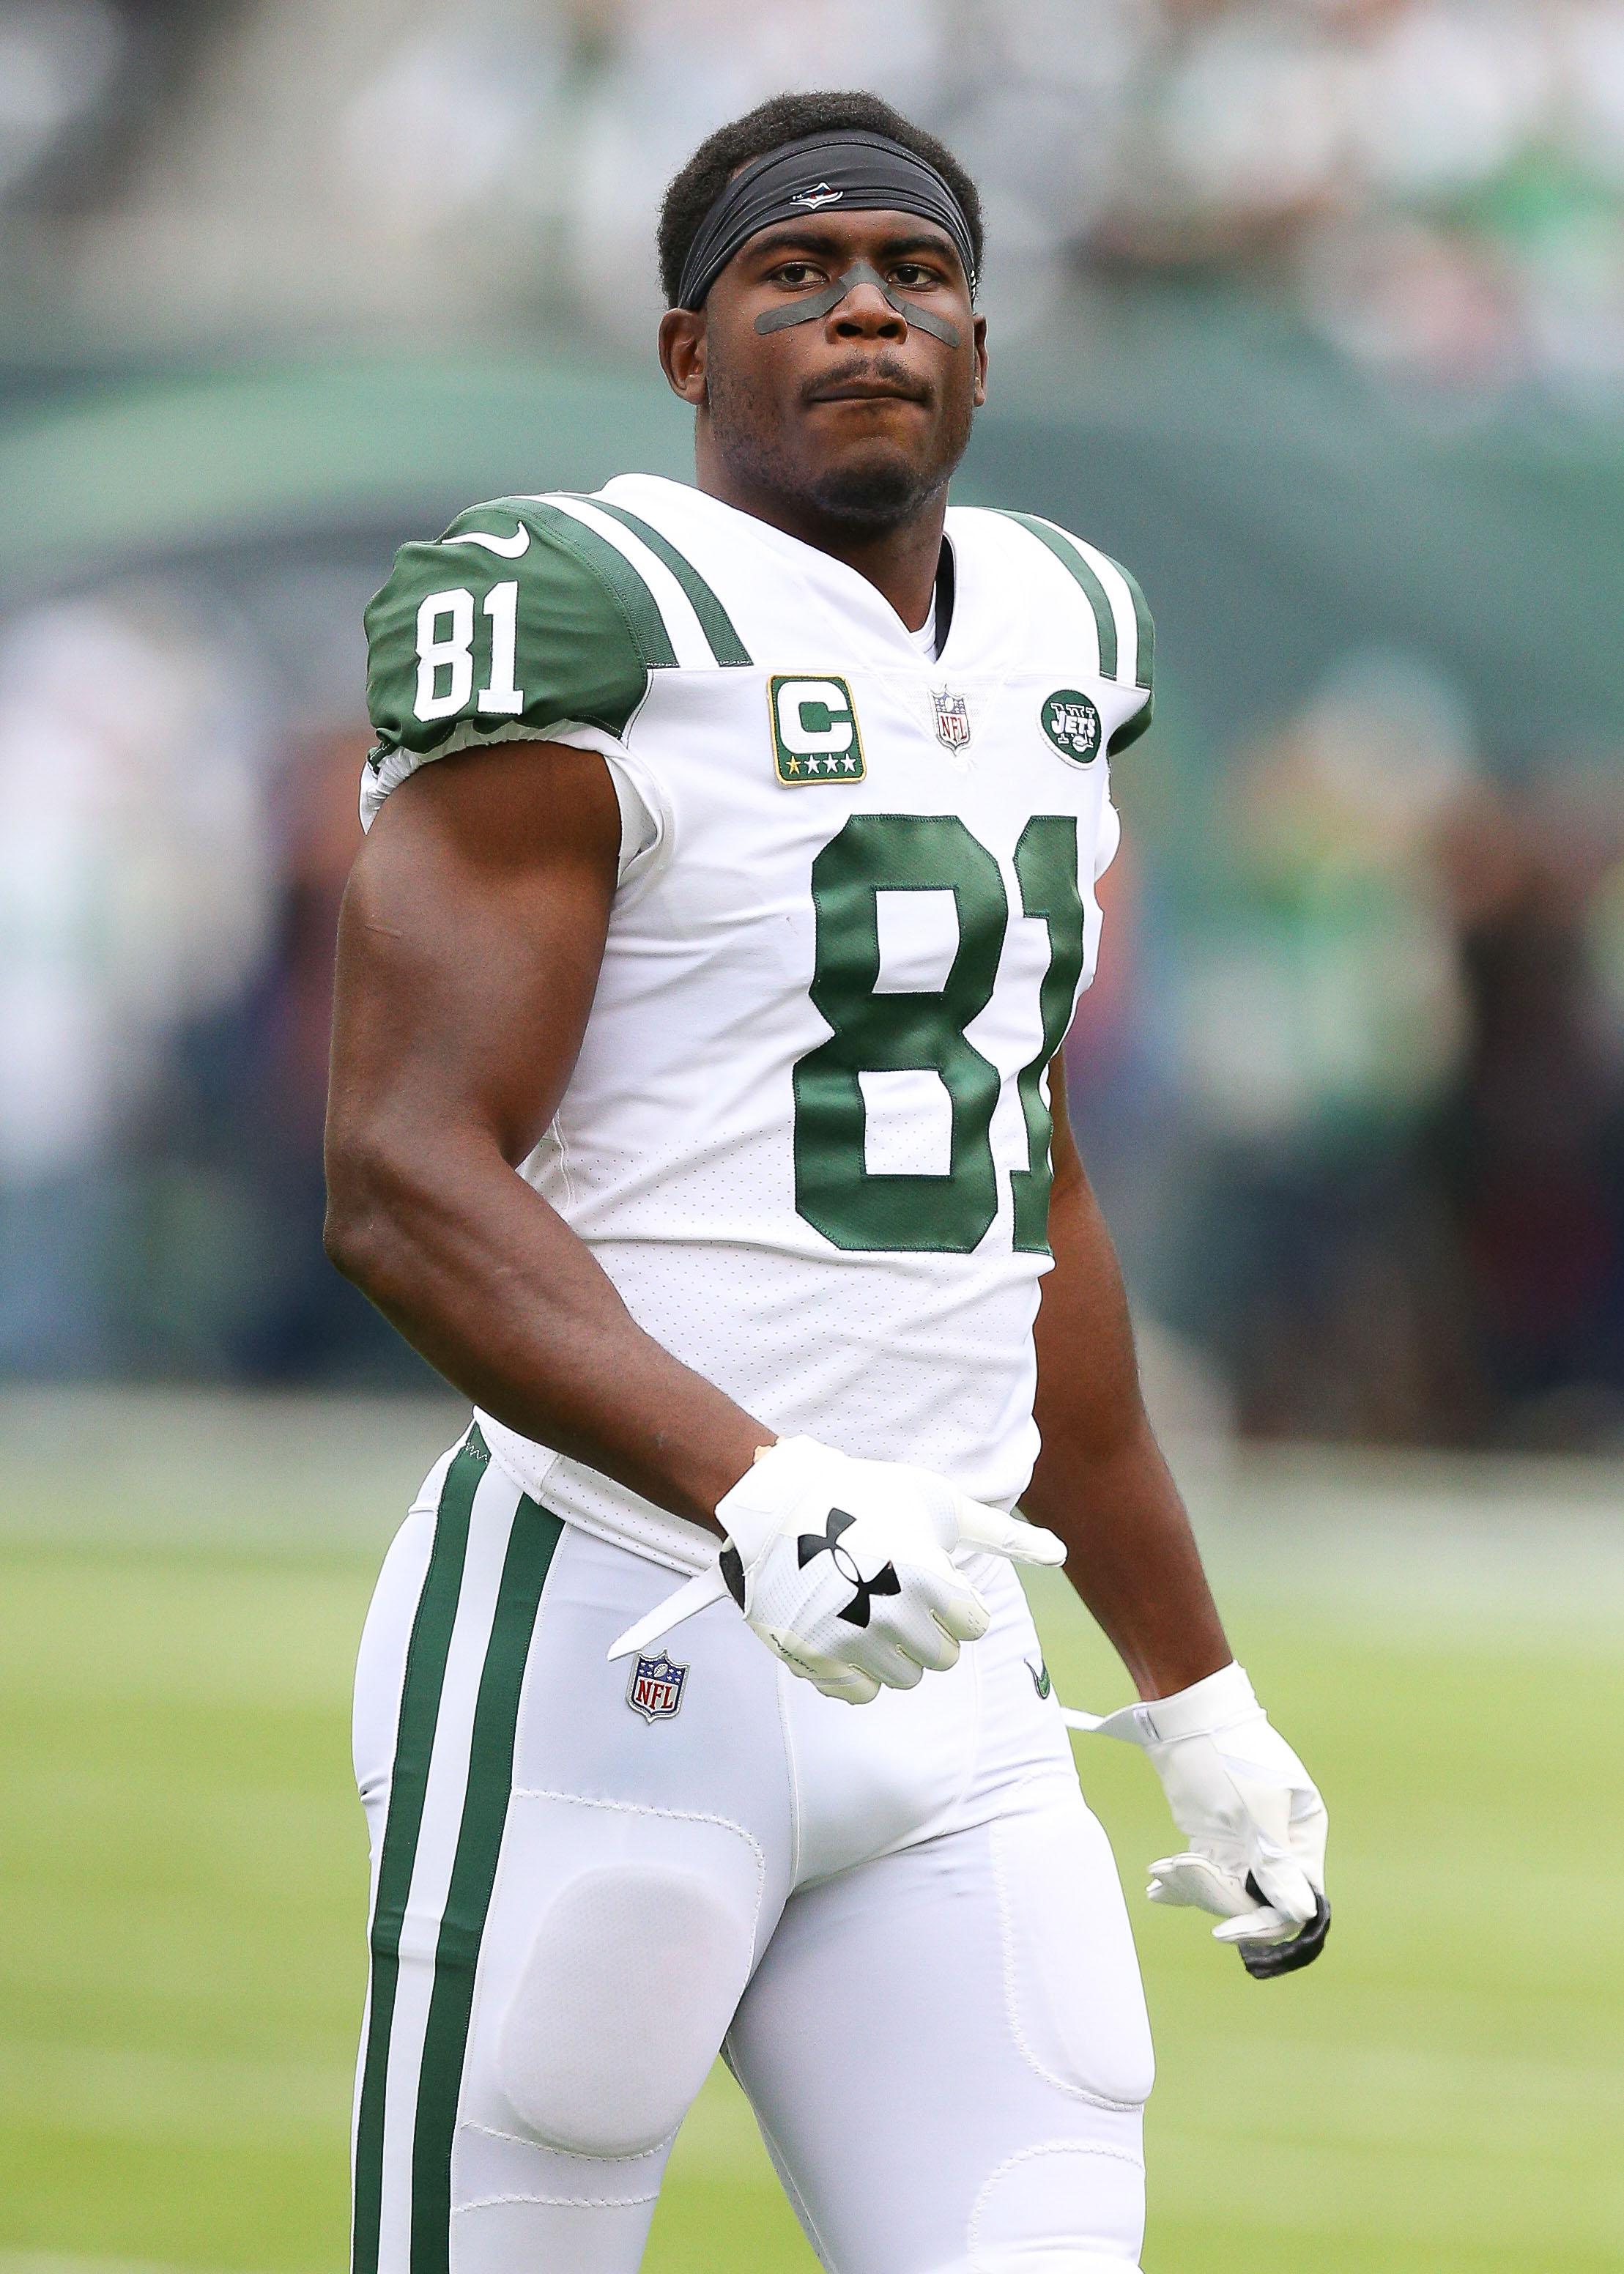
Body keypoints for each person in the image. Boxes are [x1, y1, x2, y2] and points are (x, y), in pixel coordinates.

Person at [325, 87, 1330, 2274]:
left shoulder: (1062, 629)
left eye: (915, 272)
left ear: (980, 343)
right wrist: (757, 1484)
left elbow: (1013, 1190)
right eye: (797, 272)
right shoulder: (587, 606)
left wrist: (1191, 1689)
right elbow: (402, 1171)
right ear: (691, 350)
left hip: (951, 1662)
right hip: (615, 1621)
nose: (865, 309)